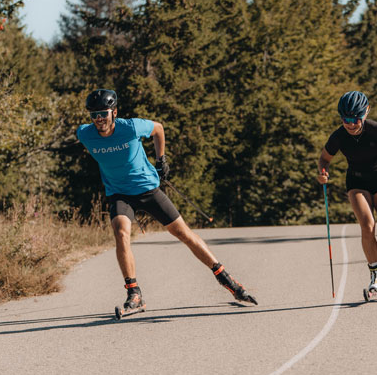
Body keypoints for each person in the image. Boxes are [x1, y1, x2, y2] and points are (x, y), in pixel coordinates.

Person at [76, 88, 257, 311]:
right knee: (121, 232)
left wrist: (161, 160)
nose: (99, 119)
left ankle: (226, 278)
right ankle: (134, 292)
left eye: (103, 113)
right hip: (119, 193)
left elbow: (158, 129)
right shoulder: (84, 133)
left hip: (147, 189)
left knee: (183, 233)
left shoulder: (131, 126)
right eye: (94, 115)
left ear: (114, 112)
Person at [316, 91, 377, 299]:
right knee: (367, 225)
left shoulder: (376, 129)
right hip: (357, 181)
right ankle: (376, 276)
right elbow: (324, 159)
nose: (350, 124)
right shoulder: (339, 136)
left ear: (366, 112)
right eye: (345, 119)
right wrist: (323, 173)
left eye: (355, 119)